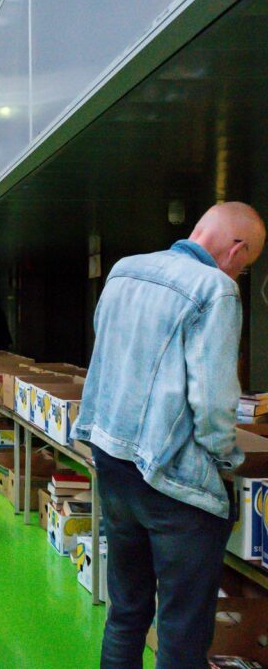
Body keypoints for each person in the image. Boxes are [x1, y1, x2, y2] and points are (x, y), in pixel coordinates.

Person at [71, 202, 266, 668]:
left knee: (126, 613)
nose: (240, 273)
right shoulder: (215, 289)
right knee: (181, 631)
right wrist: (226, 462)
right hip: (173, 480)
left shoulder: (124, 271)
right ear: (237, 250)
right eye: (246, 265)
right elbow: (213, 402)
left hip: (113, 465)